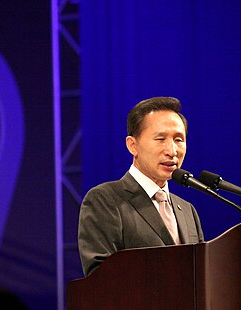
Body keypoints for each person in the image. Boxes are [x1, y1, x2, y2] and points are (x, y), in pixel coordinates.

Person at [78, 97, 205, 276]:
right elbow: (100, 277)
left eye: (178, 139)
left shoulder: (187, 210)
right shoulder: (105, 199)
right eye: (160, 139)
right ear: (133, 145)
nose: (172, 150)